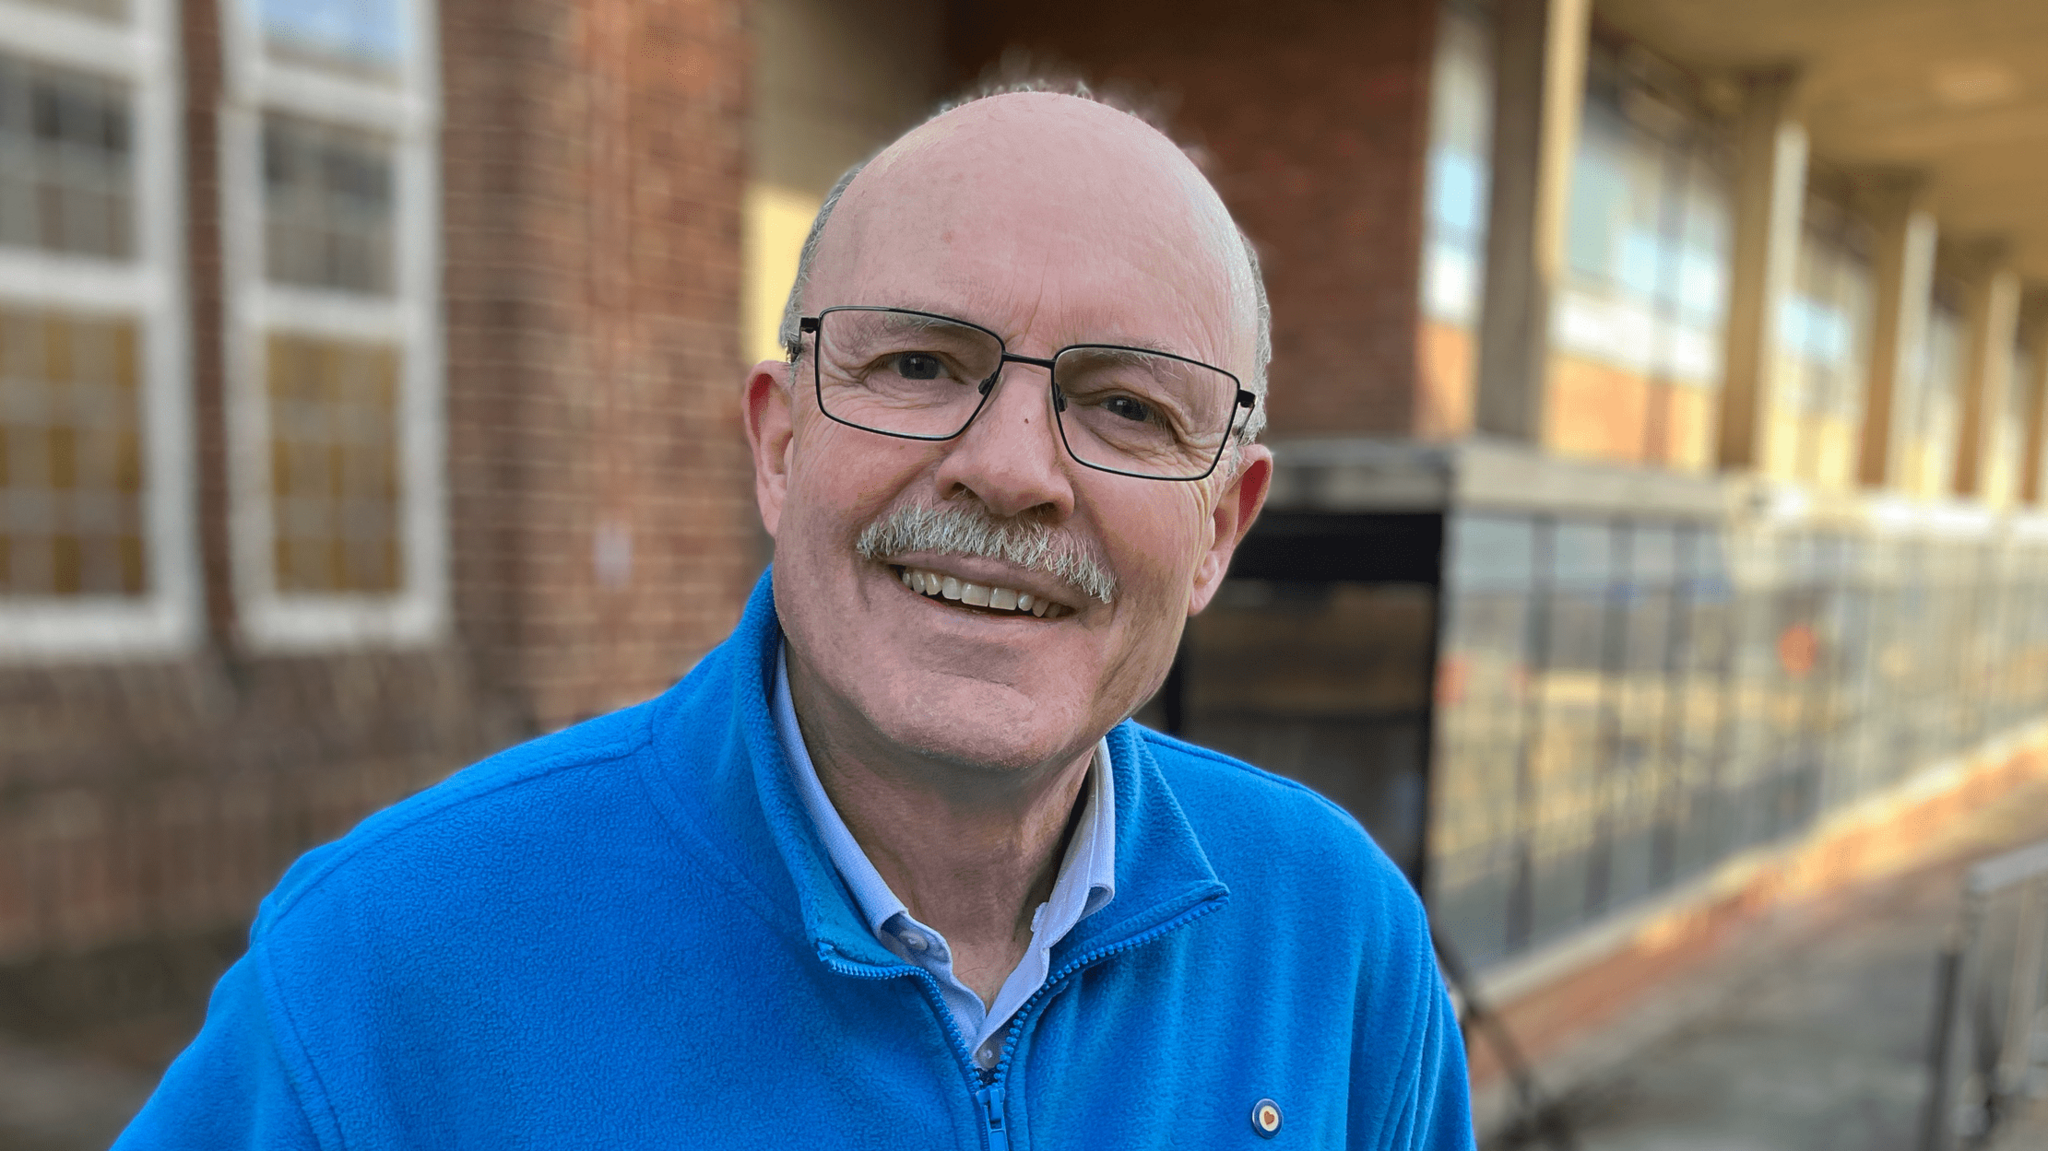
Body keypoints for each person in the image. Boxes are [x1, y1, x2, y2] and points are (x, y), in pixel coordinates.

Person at [117, 85, 1474, 1149]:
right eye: (920, 362)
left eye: (1126, 404)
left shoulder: (1338, 940)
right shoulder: (388, 968)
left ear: (1219, 528)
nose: (1009, 469)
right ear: (779, 445)